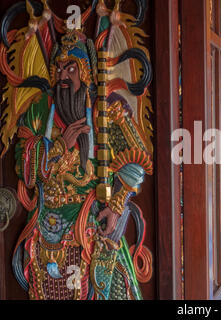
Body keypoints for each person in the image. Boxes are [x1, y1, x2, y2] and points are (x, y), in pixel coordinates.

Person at [7, 29, 153, 300]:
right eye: (59, 68)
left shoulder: (106, 113)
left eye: (71, 68)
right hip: (44, 228)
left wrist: (116, 205)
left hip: (91, 225)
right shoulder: (39, 111)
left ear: (85, 72)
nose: (63, 76)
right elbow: (23, 167)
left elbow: (137, 160)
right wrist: (58, 145)